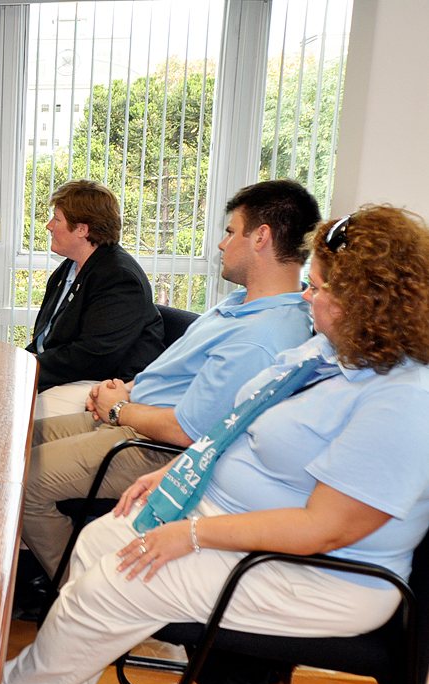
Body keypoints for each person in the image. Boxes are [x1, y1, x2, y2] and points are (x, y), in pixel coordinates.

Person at [0, 204, 429, 684]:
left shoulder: (403, 402)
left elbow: (325, 531)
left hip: (323, 576)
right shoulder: (330, 355)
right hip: (233, 522)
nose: (304, 296)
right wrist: (179, 472)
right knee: (97, 542)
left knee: (116, 582)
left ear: (368, 305)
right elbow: (240, 424)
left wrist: (192, 535)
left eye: (317, 289)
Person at [21, 180, 320, 578]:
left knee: (21, 485)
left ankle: (79, 590)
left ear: (261, 237)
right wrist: (126, 391)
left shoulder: (263, 337)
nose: (221, 244)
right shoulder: (241, 302)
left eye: (231, 232)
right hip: (132, 415)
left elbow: (187, 432)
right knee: (14, 447)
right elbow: (178, 374)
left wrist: (121, 409)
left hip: (151, 444)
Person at [29, 180, 164, 415]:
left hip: (103, 385)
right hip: (67, 375)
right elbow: (46, 338)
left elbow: (92, 357)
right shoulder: (69, 268)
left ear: (82, 229)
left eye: (57, 219)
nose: (49, 226)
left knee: (14, 411)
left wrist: (26, 366)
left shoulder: (119, 277)